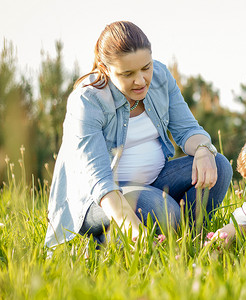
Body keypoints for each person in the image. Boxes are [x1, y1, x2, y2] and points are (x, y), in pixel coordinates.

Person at [44, 21, 233, 249]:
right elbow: (100, 183)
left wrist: (203, 150)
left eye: (146, 67)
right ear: (105, 68)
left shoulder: (161, 76)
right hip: (99, 200)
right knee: (163, 211)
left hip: (153, 183)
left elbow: (189, 131)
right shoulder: (87, 101)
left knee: (219, 165)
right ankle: (104, 242)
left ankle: (189, 242)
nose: (141, 80)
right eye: (128, 73)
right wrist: (131, 225)